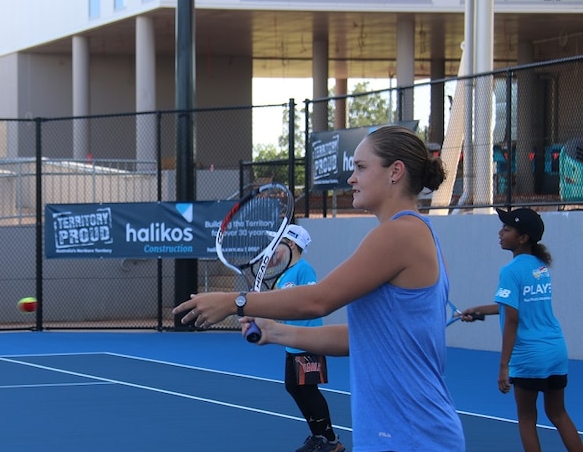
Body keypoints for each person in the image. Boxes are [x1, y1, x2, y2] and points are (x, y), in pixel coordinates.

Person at [174, 125, 466, 451]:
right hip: (405, 430)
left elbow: (319, 299)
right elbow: (363, 337)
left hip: (410, 433)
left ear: (395, 171)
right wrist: (277, 332)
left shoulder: (399, 235)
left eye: (361, 167)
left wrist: (235, 302)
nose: (352, 178)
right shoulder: (418, 234)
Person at [460, 208, 583, 452]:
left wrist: (504, 365)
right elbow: (515, 307)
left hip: (529, 357)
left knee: (527, 420)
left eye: (506, 230)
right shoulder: (540, 267)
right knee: (558, 414)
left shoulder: (510, 271)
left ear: (522, 238)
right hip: (555, 351)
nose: (500, 233)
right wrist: (479, 310)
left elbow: (513, 319)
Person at [273, 224, 344, 452]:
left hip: (308, 341)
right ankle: (317, 436)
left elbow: (312, 301)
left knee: (309, 390)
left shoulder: (305, 270)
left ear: (292, 244)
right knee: (293, 388)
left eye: (281, 241)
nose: (276, 247)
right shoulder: (283, 274)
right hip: (291, 344)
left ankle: (331, 441)